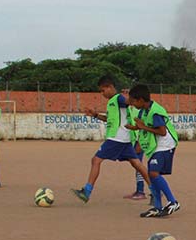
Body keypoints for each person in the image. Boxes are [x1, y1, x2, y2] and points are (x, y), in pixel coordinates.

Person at [71, 76, 151, 204]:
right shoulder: (113, 102)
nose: (102, 93)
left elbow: (128, 102)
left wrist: (129, 96)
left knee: (96, 160)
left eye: (102, 90)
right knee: (137, 164)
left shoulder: (118, 98)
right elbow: (109, 119)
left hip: (116, 138)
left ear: (110, 87)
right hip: (124, 139)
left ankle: (87, 191)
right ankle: (155, 190)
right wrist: (95, 115)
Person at [127, 84, 181, 218]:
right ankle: (157, 207)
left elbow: (162, 132)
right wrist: (135, 128)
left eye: (133, 101)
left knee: (153, 173)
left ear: (140, 100)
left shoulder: (155, 111)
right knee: (151, 174)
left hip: (165, 144)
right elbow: (144, 126)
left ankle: (173, 202)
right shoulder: (143, 111)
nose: (132, 104)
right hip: (156, 145)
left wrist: (143, 127)